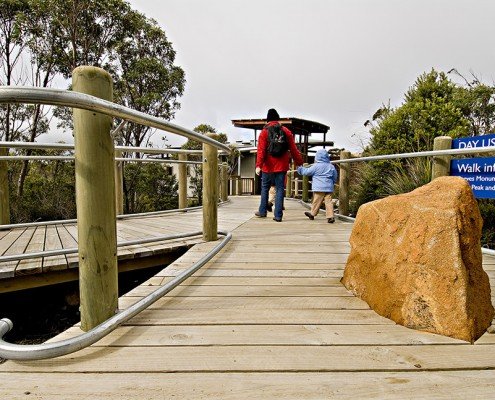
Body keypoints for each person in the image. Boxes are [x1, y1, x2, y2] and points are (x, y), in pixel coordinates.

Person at [255, 108, 303, 222]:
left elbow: (261, 150)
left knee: (265, 188)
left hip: (267, 166)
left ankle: (262, 211)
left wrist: (258, 165)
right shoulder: (286, 131)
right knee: (280, 188)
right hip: (281, 166)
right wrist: (299, 163)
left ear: (267, 120)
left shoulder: (264, 132)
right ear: (278, 119)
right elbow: (293, 149)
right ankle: (278, 215)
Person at [297, 148, 338, 223]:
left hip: (319, 188)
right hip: (328, 187)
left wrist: (300, 169)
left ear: (317, 157)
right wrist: (333, 182)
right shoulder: (331, 166)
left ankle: (312, 214)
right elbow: (335, 175)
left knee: (316, 201)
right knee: (328, 202)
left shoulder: (316, 166)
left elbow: (307, 172)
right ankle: (330, 216)